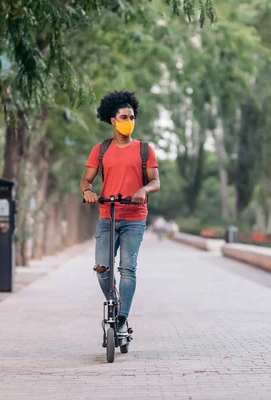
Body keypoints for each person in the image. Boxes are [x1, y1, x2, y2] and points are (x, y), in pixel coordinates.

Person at [81, 90, 160, 336]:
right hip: (107, 216)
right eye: (124, 117)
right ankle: (114, 300)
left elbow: (156, 181)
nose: (129, 121)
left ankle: (122, 317)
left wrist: (143, 190)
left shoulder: (145, 150)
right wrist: (88, 192)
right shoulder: (101, 149)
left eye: (132, 116)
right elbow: (86, 180)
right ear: (113, 121)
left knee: (127, 268)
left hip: (134, 218)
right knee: (102, 268)